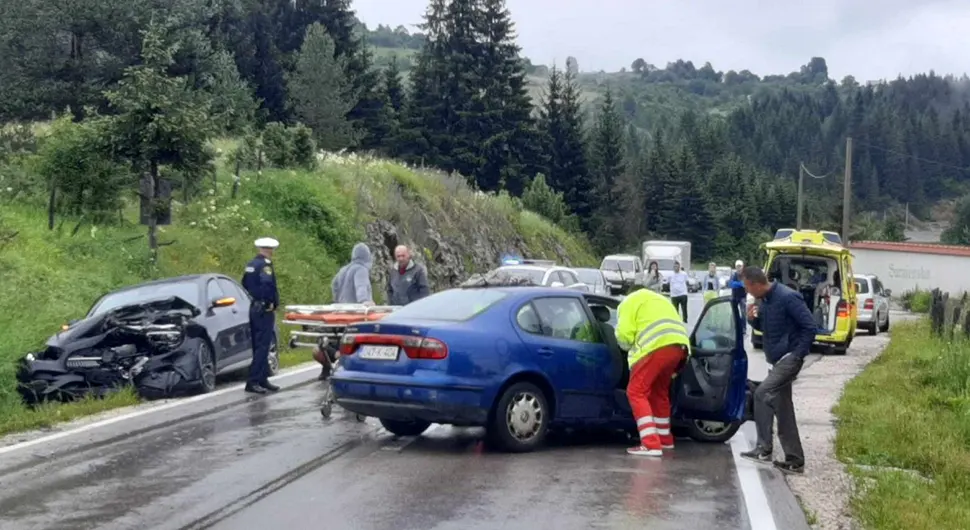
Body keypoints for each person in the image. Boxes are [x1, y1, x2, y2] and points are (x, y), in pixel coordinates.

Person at [739, 266, 816, 474]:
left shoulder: (788, 297)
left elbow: (809, 326)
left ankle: (764, 449)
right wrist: (752, 319)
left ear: (756, 284)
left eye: (747, 287)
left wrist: (797, 354)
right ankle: (794, 460)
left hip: (789, 358)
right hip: (777, 359)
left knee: (763, 393)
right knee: (783, 407)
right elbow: (767, 328)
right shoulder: (766, 301)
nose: (748, 292)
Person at [615, 287, 691, 457]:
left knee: (635, 392)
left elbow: (625, 336)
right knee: (659, 393)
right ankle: (664, 440)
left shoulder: (628, 302)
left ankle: (650, 444)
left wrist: (624, 347)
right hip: (679, 347)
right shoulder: (660, 299)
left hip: (655, 346)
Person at [315, 242, 375, 380]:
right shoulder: (361, 270)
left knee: (336, 338)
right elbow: (361, 287)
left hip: (340, 311)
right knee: (351, 341)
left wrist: (337, 300)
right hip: (354, 313)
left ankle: (327, 368)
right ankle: (349, 369)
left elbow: (334, 285)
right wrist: (365, 302)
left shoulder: (344, 269)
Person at [241, 237, 282, 395]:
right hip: (264, 309)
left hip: (254, 307)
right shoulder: (265, 265)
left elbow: (244, 284)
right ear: (269, 249)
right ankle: (253, 381)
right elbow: (267, 285)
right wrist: (270, 302)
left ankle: (263, 379)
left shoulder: (251, 264)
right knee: (262, 346)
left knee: (260, 345)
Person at [728, 260, 747, 334]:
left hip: (743, 297)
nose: (739, 268)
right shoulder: (733, 275)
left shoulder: (745, 275)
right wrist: (739, 284)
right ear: (735, 267)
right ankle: (732, 327)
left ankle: (743, 328)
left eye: (740, 266)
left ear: (742, 267)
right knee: (733, 312)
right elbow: (730, 284)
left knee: (743, 313)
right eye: (737, 266)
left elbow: (745, 284)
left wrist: (736, 284)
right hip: (734, 296)